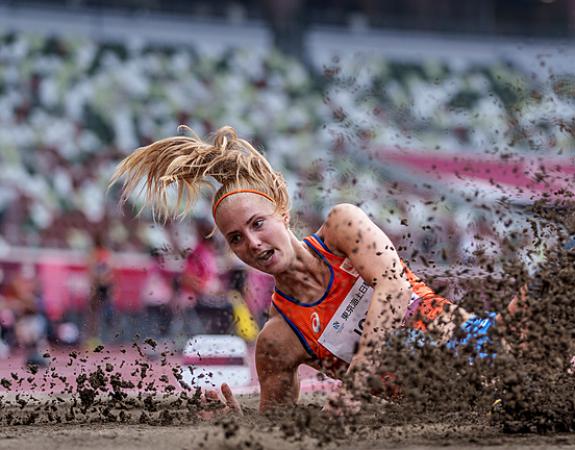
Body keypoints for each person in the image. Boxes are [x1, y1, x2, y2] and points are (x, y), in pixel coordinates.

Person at [110, 125, 490, 414]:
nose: (253, 244)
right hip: (448, 409)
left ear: (283, 212)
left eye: (258, 224)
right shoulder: (278, 342)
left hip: (482, 351)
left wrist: (360, 373)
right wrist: (237, 425)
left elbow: (394, 289)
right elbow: (278, 430)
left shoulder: (344, 226)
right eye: (236, 239)